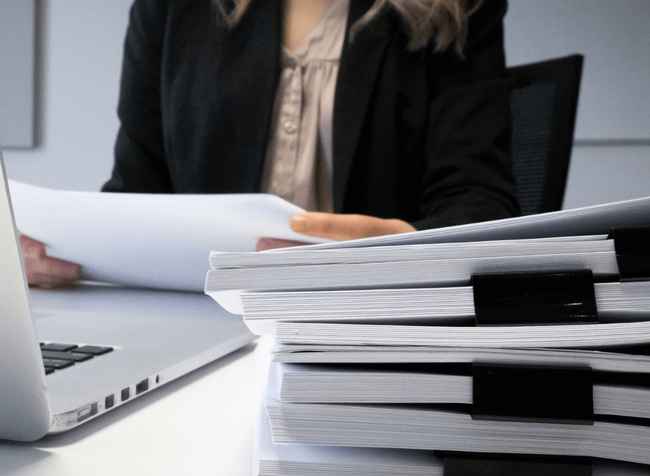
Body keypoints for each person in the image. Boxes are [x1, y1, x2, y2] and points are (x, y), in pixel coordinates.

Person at [23, 0, 520, 287]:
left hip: (372, 323)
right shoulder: (171, 8)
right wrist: (65, 254)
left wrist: (404, 245)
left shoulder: (455, 8)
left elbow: (479, 201)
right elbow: (137, 190)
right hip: (209, 320)